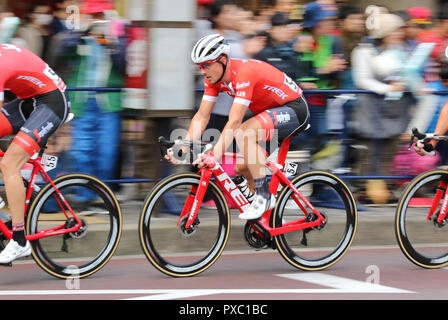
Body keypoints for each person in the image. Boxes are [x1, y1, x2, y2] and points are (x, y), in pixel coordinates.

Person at [165, 34, 310, 220]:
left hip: (294, 109)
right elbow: (202, 115)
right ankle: (267, 219)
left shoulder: (244, 73)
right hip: (271, 114)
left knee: (245, 131)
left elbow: (234, 120)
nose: (203, 71)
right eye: (200, 66)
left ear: (223, 60)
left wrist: (214, 154)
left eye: (207, 65)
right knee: (242, 168)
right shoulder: (212, 79)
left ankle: (264, 197)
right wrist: (185, 144)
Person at [0, 43, 70, 264]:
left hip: (52, 103)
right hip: (29, 101)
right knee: (10, 166)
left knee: (9, 164)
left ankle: (19, 240)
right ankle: (20, 185)